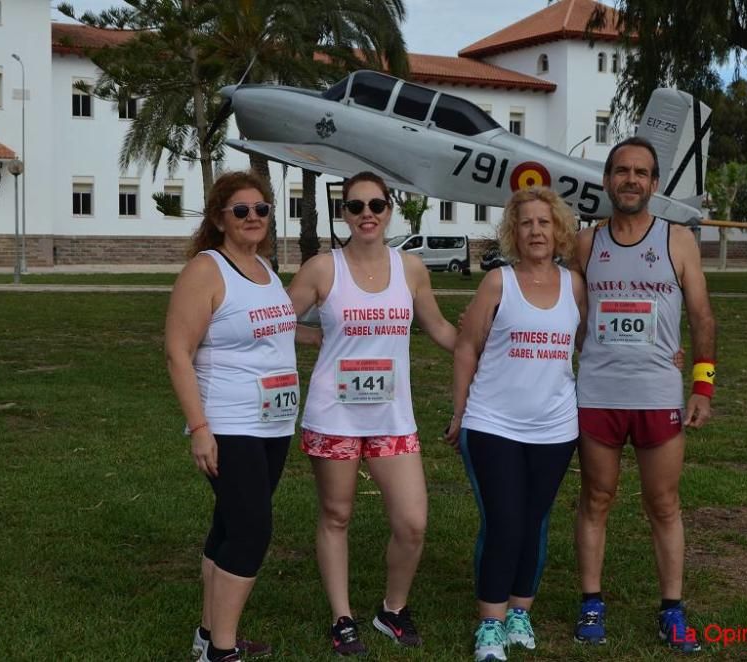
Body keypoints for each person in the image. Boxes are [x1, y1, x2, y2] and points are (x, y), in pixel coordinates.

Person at [287, 171, 457, 655]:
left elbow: (441, 330)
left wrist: (487, 346)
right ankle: (342, 618)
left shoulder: (411, 269)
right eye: (355, 206)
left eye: (376, 206)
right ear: (343, 213)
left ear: (389, 209)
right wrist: (311, 335)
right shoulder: (323, 268)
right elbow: (276, 318)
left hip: (391, 417)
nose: (366, 214)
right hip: (333, 415)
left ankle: (392, 609)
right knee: (336, 515)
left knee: (412, 522)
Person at [571, 136, 717, 653]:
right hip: (598, 395)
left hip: (658, 394)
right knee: (597, 499)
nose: (630, 180)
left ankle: (672, 611)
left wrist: (702, 385)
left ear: (654, 184)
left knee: (664, 504)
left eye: (641, 173)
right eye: (621, 171)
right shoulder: (587, 244)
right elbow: (570, 317)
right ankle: (591, 602)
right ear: (607, 179)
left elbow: (700, 316)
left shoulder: (677, 240)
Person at [165, 170, 317, 662]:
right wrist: (201, 430)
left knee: (230, 525)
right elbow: (177, 352)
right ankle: (222, 650)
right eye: (242, 211)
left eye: (262, 210)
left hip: (273, 424)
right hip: (230, 425)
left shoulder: (264, 269)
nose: (254, 218)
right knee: (252, 531)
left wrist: (333, 334)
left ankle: (208, 636)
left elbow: (277, 330)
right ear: (219, 218)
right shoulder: (207, 270)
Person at [444, 187, 585, 662]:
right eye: (526, 223)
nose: (536, 231)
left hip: (555, 427)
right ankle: (490, 624)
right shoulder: (497, 284)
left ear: (558, 228)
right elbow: (466, 347)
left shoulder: (575, 285)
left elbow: (587, 343)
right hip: (493, 423)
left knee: (533, 522)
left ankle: (520, 611)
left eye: (544, 222)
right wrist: (461, 410)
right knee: (504, 521)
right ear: (513, 232)